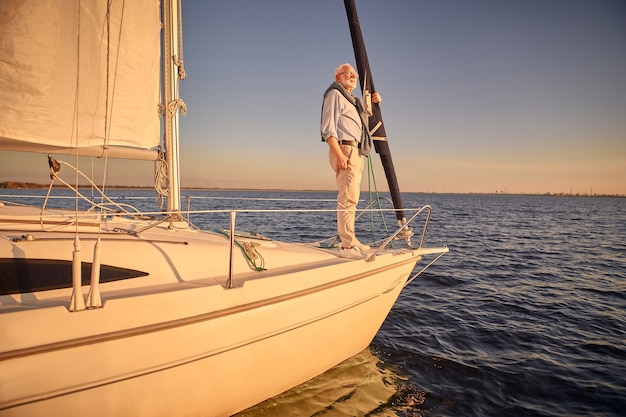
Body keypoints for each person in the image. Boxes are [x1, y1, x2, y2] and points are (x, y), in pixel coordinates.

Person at [320, 63, 381, 259]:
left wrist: (375, 101)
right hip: (345, 148)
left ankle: (350, 240)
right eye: (348, 73)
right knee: (347, 198)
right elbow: (328, 128)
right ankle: (347, 246)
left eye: (354, 74)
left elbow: (363, 119)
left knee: (352, 198)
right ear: (338, 77)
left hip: (357, 150)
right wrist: (339, 154)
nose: (353, 76)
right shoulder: (334, 94)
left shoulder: (353, 100)